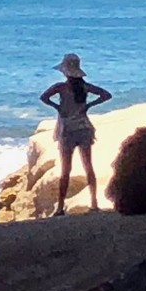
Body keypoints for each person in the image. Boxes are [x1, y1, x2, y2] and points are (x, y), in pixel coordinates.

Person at [40, 53, 112, 215]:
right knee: (89, 166)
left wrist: (57, 107)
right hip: (84, 128)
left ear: (65, 71)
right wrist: (88, 106)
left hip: (68, 130)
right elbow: (106, 95)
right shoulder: (85, 87)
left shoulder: (60, 87)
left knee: (66, 170)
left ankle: (60, 207)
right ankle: (94, 203)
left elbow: (44, 97)